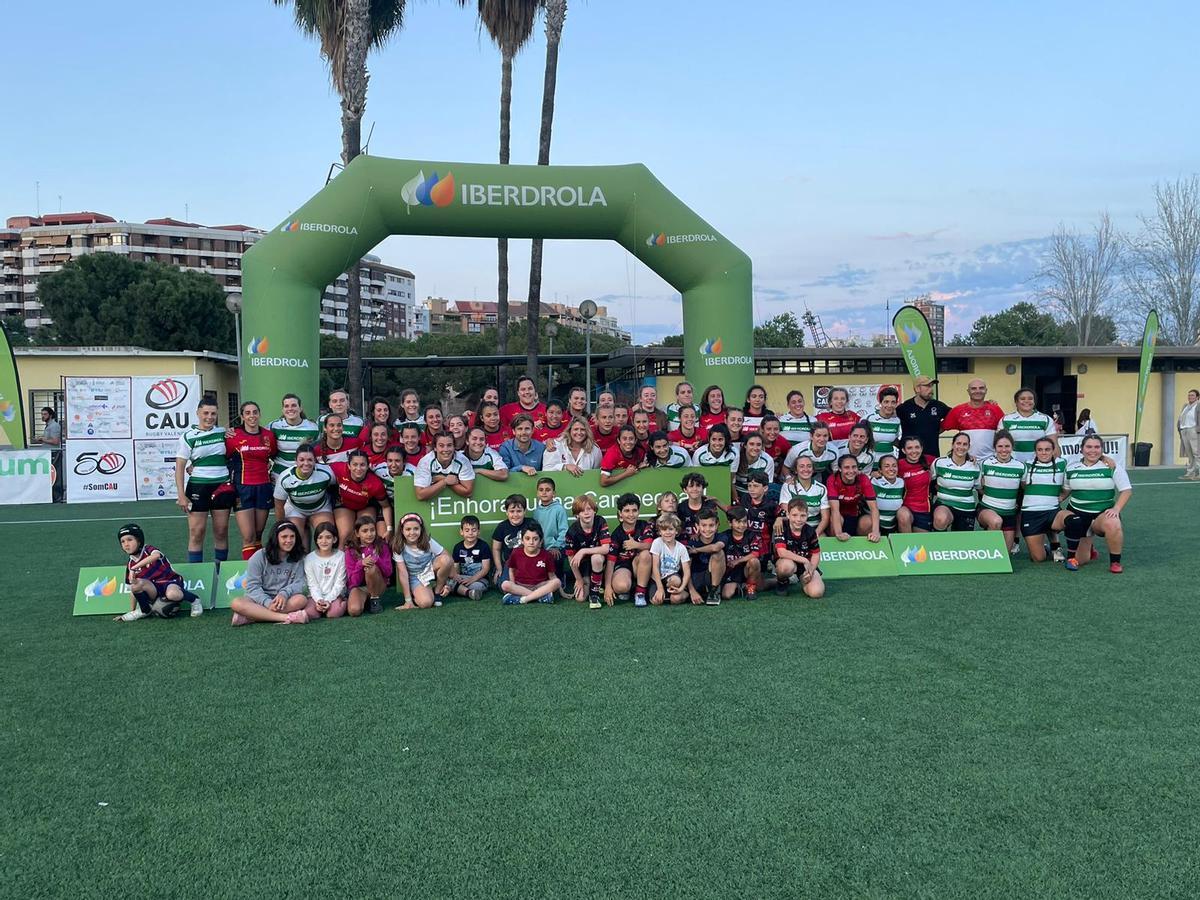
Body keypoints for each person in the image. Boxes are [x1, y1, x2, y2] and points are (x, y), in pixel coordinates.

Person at [1062, 434, 1132, 573]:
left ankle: (1115, 562)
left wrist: (1116, 509)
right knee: (1081, 560)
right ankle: (1089, 546)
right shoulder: (1071, 468)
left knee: (1113, 522)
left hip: (1102, 514)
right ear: (1081, 449)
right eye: (1088, 447)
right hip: (1079, 515)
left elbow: (1126, 490)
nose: (1092, 450)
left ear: (1102, 449)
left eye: (1096, 447)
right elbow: (1065, 491)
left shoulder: (1111, 466)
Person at [176, 395, 234, 563]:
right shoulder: (188, 436)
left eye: (213, 414)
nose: (209, 417)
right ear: (198, 413)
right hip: (198, 488)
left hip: (221, 486)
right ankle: (197, 572)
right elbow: (180, 467)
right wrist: (181, 495)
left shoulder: (224, 433)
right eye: (206, 413)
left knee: (221, 531)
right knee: (197, 532)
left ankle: (219, 570)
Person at [112, 523, 200, 621]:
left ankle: (195, 600)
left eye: (130, 540)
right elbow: (133, 591)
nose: (126, 544)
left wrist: (135, 567)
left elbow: (156, 556)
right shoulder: (130, 564)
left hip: (169, 581)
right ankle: (144, 610)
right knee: (135, 584)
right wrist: (132, 611)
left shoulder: (148, 550)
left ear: (139, 540)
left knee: (173, 594)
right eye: (122, 541)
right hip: (153, 588)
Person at [229, 521, 310, 626]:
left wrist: (284, 594)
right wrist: (267, 602)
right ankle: (287, 617)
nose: (289, 540)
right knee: (236, 603)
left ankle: (251, 617)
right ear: (276, 538)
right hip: (259, 599)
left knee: (301, 600)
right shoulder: (259, 556)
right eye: (284, 537)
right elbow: (252, 587)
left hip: (284, 600)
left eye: (292, 536)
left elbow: (299, 583)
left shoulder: (298, 557)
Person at [226, 400, 277, 560]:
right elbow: (222, 457)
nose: (252, 416)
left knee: (258, 535)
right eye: (247, 413)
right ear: (242, 416)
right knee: (248, 536)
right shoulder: (233, 436)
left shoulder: (268, 435)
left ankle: (258, 571)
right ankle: (249, 574)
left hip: (264, 487)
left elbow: (274, 455)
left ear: (259, 414)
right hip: (242, 489)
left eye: (255, 412)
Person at [273, 445, 336, 548]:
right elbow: (279, 505)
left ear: (315, 461)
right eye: (301, 460)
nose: (306, 463)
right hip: (295, 509)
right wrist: (282, 527)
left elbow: (337, 485)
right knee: (294, 538)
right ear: (295, 461)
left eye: (310, 460)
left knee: (327, 535)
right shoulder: (285, 478)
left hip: (320, 508)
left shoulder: (326, 472)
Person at [1020, 437, 1067, 563]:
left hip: (1052, 510)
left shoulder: (1062, 463)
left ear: (1053, 450)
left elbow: (1083, 465)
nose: (1044, 452)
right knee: (1038, 558)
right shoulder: (1027, 465)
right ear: (1035, 452)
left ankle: (1056, 547)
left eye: (1047, 449)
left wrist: (1062, 496)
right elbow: (1023, 484)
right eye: (1040, 450)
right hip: (1031, 513)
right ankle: (1044, 547)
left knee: (1074, 521)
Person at [391, 512, 451, 609]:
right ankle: (420, 592)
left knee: (446, 560)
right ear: (402, 530)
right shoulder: (398, 546)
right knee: (425, 603)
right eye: (408, 529)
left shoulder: (427, 541)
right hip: (415, 577)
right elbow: (402, 573)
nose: (412, 533)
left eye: (416, 529)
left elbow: (446, 556)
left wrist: (447, 582)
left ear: (421, 529)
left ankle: (437, 592)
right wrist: (408, 600)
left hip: (430, 569)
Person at [331, 448, 390, 545]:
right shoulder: (339, 468)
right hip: (344, 504)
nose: (358, 468)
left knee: (367, 532)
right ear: (349, 465)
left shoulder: (375, 483)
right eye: (354, 464)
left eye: (362, 465)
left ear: (367, 466)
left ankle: (370, 559)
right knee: (345, 535)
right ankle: (343, 559)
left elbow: (386, 506)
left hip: (365, 506)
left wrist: (389, 528)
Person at [978, 430, 1025, 552]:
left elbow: (1025, 488)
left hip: (1009, 514)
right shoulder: (985, 464)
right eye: (1000, 446)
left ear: (1012, 447)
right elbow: (979, 487)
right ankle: (984, 552)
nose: (1003, 450)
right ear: (994, 447)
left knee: (1005, 554)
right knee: (996, 521)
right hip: (987, 509)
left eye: (1007, 446)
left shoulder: (1020, 467)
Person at [604, 492, 653, 607]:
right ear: (620, 514)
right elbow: (610, 563)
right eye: (627, 511)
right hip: (623, 566)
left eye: (634, 510)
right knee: (621, 586)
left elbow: (651, 546)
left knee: (645, 554)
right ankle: (631, 586)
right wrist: (607, 587)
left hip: (639, 564)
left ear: (638, 512)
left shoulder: (644, 525)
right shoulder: (616, 534)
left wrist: (636, 545)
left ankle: (640, 593)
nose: (631, 514)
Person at [772, 499, 825, 599]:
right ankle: (782, 582)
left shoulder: (810, 531)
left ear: (807, 515)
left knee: (817, 593)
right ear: (788, 515)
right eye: (794, 515)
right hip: (787, 562)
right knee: (786, 567)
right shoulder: (781, 527)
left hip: (805, 566)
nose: (798, 519)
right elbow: (782, 552)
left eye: (802, 515)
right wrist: (804, 560)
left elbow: (816, 554)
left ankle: (802, 580)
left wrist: (811, 570)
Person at [565, 494, 611, 608]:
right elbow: (571, 560)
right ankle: (590, 583)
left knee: (596, 557)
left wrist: (583, 551)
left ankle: (594, 594)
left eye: (589, 509)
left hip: (600, 562)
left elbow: (605, 549)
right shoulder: (572, 532)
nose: (586, 513)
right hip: (583, 566)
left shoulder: (600, 521)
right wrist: (579, 579)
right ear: (577, 515)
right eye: (582, 510)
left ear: (594, 511)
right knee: (580, 598)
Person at [941, 378, 1005, 461]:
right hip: (966, 461)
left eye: (981, 388)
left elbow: (1005, 433)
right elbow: (940, 428)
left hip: (990, 461)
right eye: (973, 388)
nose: (978, 391)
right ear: (968, 391)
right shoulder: (958, 410)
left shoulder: (995, 409)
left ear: (986, 390)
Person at [501, 522, 562, 604]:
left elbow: (552, 576)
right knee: (505, 585)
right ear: (522, 540)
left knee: (557, 582)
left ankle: (523, 599)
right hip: (521, 586)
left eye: (535, 539)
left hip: (539, 586)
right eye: (527, 538)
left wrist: (561, 592)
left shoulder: (546, 555)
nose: (531, 542)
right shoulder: (516, 553)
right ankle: (539, 597)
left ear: (541, 541)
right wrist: (513, 585)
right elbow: (511, 570)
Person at [345, 515, 394, 616]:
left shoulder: (382, 545)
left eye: (372, 530)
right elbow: (352, 582)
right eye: (365, 531)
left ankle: (374, 599)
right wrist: (360, 564)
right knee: (354, 611)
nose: (369, 534)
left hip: (378, 584)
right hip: (360, 587)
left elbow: (389, 572)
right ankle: (364, 600)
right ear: (357, 533)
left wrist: (377, 559)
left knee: (371, 568)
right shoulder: (350, 551)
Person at [932, 432, 981, 532]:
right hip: (944, 504)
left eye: (965, 444)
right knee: (941, 519)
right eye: (958, 443)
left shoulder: (975, 466)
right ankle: (939, 545)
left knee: (962, 543)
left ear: (969, 447)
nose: (961, 447)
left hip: (966, 508)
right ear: (952, 444)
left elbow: (979, 488)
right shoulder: (939, 463)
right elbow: (930, 481)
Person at [827, 455, 881, 542]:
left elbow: (874, 508)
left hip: (855, 515)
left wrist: (875, 532)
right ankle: (836, 546)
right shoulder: (832, 479)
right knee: (836, 519)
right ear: (840, 469)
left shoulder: (863, 478)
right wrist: (839, 533)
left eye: (854, 467)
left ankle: (862, 547)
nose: (851, 471)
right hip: (838, 517)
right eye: (846, 468)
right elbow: (834, 510)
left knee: (868, 521)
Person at [897, 376, 952, 459]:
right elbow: (889, 421)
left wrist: (938, 429)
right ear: (917, 389)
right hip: (908, 459)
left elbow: (954, 417)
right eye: (927, 386)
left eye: (932, 386)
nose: (931, 389)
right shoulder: (904, 407)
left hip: (931, 457)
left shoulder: (939, 406)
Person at [268, 393, 319, 482]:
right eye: (286, 406)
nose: (290, 409)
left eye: (294, 405)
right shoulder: (274, 426)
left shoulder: (313, 427)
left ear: (300, 408)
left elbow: (319, 451)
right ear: (283, 410)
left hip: (305, 475)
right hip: (279, 474)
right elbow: (257, 436)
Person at [303, 521, 347, 620]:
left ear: (334, 539)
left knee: (333, 613)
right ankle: (319, 606)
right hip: (315, 595)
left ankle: (344, 602)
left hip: (335, 594)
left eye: (328, 537)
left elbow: (340, 583)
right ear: (316, 541)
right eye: (320, 537)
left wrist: (328, 600)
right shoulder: (309, 558)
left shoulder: (341, 556)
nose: (324, 541)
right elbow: (312, 584)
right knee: (311, 614)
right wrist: (319, 600)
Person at [1001, 388, 1058, 464]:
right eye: (1022, 399)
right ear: (1016, 402)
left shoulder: (1045, 419)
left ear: (1034, 402)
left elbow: (1054, 446)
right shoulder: (1006, 419)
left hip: (1037, 465)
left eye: (1030, 399)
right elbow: (1000, 445)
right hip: (1013, 464)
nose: (1026, 401)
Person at [413, 433, 476, 501]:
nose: (445, 449)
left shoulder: (463, 460)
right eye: (441, 446)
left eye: (449, 445)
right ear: (435, 448)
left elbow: (468, 492)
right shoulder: (425, 462)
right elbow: (420, 495)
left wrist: (442, 479)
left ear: (454, 447)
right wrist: (444, 481)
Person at [777, 456, 830, 535]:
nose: (806, 469)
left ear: (813, 469)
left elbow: (825, 518)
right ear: (795, 470)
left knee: (823, 543)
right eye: (801, 466)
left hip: (815, 528)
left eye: (809, 466)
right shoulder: (788, 486)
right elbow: (786, 512)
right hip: (794, 527)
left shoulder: (821, 488)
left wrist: (815, 534)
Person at [685, 508, 727, 605]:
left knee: (718, 553)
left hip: (714, 576)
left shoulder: (721, 537)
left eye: (711, 525)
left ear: (717, 526)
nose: (707, 529)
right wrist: (692, 591)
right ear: (697, 526)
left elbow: (716, 548)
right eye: (703, 525)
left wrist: (696, 550)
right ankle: (699, 591)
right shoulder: (692, 542)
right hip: (697, 578)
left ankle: (714, 592)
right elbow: (686, 568)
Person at [649, 513, 692, 605]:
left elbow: (687, 571)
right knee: (656, 601)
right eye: (664, 529)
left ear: (676, 531)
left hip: (672, 578)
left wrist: (681, 588)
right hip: (657, 579)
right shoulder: (657, 543)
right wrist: (660, 588)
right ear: (660, 531)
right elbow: (655, 567)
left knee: (675, 597)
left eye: (671, 529)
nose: (667, 532)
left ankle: (684, 592)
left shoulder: (681, 548)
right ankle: (663, 592)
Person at [533, 476, 567, 588]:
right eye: (541, 490)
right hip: (541, 547)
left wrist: (556, 546)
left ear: (554, 493)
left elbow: (564, 530)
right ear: (537, 493)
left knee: (555, 557)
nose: (544, 493)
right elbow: (535, 532)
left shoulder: (559, 509)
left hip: (556, 548)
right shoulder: (536, 512)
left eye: (548, 490)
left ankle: (560, 580)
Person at [720, 506, 761, 600]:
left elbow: (755, 554)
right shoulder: (724, 535)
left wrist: (737, 561)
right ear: (730, 523)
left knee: (754, 561)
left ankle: (751, 587)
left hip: (747, 570)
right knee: (726, 595)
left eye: (744, 521)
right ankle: (741, 586)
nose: (742, 525)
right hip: (731, 572)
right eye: (738, 522)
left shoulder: (752, 535)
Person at [895, 436, 935, 534]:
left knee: (922, 545)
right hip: (906, 508)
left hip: (924, 510)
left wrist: (969, 457)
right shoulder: (898, 465)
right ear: (903, 451)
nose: (914, 451)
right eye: (909, 448)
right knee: (903, 515)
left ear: (921, 448)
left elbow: (951, 461)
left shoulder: (931, 460)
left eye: (917, 447)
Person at [491, 494, 529, 587]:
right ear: (507, 512)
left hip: (530, 561)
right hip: (510, 563)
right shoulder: (502, 527)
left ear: (525, 511)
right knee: (503, 585)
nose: (515, 515)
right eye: (512, 511)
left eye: (519, 511)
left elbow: (539, 544)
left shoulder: (531, 524)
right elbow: (496, 549)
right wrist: (499, 568)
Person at [449, 515, 491, 601]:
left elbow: (485, 569)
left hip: (479, 580)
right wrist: (457, 578)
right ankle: (469, 592)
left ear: (478, 531)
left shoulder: (483, 546)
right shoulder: (458, 547)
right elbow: (456, 567)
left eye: (474, 530)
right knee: (446, 580)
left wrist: (472, 579)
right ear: (461, 532)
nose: (470, 533)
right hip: (463, 578)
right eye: (467, 530)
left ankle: (460, 590)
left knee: (478, 586)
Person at [732, 432, 775, 503]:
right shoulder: (737, 456)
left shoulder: (768, 460)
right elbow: (731, 482)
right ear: (745, 445)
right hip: (735, 493)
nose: (755, 448)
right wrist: (736, 499)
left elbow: (766, 486)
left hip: (756, 495)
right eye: (751, 444)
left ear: (762, 446)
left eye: (758, 445)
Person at [816, 388, 860, 455]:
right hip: (831, 456)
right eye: (836, 398)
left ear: (847, 401)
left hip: (850, 458)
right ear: (830, 402)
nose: (839, 401)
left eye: (842, 399)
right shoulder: (821, 417)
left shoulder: (854, 416)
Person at [870, 453, 904, 536]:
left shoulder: (902, 483)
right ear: (880, 470)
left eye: (894, 465)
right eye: (886, 466)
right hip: (874, 525)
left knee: (904, 514)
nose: (891, 469)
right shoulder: (872, 482)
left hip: (893, 525)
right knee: (865, 522)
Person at [866, 388, 902, 457]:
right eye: (886, 402)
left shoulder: (898, 421)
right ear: (880, 403)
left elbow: (896, 441)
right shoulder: (869, 418)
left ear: (896, 403)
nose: (889, 405)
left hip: (889, 464)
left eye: (893, 402)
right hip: (870, 463)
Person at [1178, 389, 1200, 479]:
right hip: (1184, 430)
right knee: (1189, 453)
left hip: (1193, 430)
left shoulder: (1198, 406)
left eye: (1192, 395)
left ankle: (1199, 472)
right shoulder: (1185, 406)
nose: (1190, 397)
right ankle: (1190, 472)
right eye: (1189, 395)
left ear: (1197, 397)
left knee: (1196, 453)